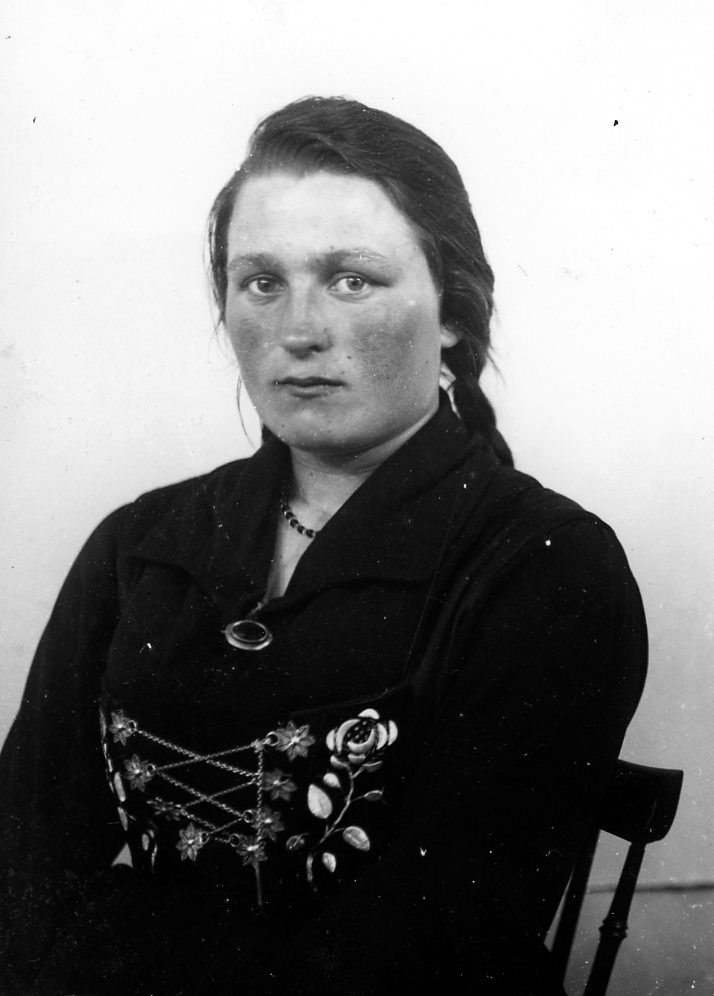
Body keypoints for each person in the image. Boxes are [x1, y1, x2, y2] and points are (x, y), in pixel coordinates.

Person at [0, 97, 646, 995]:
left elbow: (431, 953)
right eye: (262, 282)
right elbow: (19, 868)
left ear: (453, 311)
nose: (299, 329)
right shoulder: (141, 544)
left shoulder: (547, 567)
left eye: (351, 279)